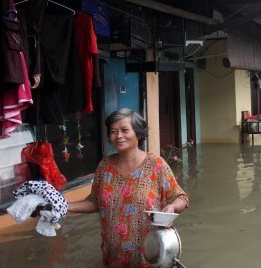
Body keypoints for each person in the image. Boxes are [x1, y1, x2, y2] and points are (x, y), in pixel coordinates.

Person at [68, 108, 189, 267]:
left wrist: (172, 207)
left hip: (150, 258)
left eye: (125, 130)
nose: (118, 136)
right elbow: (94, 202)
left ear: (138, 133)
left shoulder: (156, 165)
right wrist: (64, 206)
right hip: (112, 258)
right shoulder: (104, 167)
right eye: (113, 131)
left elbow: (182, 198)